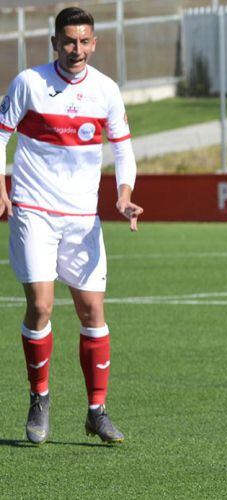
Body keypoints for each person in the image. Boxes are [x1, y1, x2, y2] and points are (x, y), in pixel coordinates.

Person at [0, 6, 142, 446]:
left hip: (83, 218)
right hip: (34, 209)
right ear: (55, 42)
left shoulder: (106, 90)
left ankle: (96, 411)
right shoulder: (29, 83)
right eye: (68, 41)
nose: (76, 49)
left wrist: (123, 193)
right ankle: (39, 398)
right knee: (41, 307)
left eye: (83, 42)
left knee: (92, 311)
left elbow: (122, 150)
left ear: (94, 43)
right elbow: (1, 134)